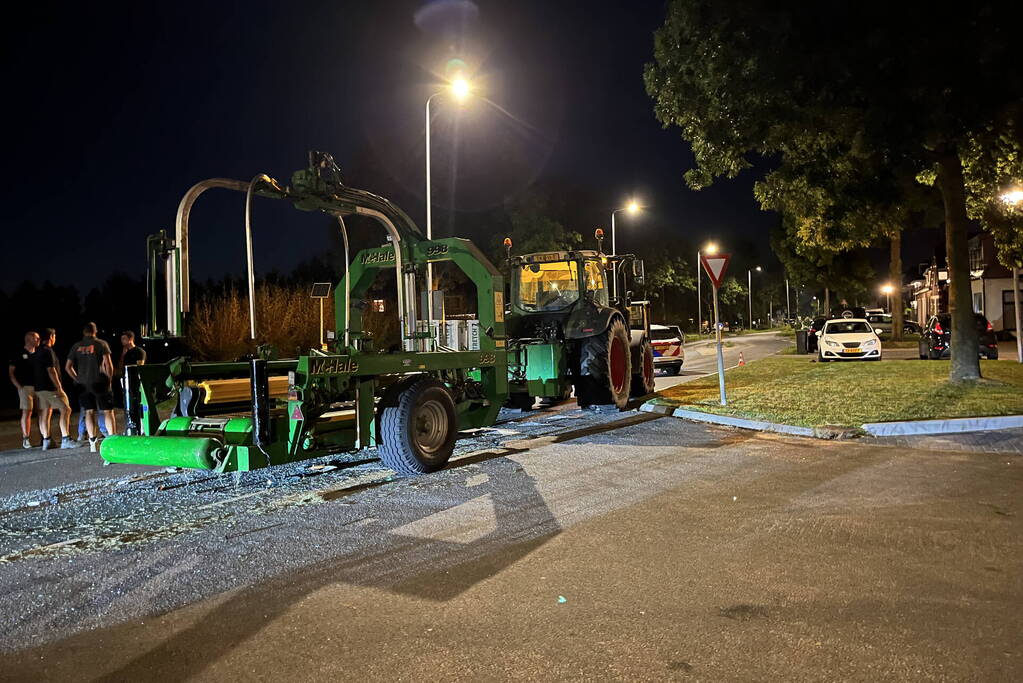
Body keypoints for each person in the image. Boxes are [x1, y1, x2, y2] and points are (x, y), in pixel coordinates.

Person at [65, 322, 116, 453]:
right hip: (100, 382)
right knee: (107, 411)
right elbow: (108, 364)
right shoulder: (101, 344)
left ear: (84, 332)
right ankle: (113, 440)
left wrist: (77, 378)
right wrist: (109, 379)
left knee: (89, 411)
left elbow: (67, 367)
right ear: (95, 331)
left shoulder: (76, 346)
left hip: (83, 385)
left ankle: (93, 442)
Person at [33, 328, 77, 449]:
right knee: (66, 409)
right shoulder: (48, 351)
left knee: (45, 412)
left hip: (39, 388)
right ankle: (66, 439)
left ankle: (46, 441)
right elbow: (51, 370)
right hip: (50, 388)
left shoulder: (37, 351)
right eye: (55, 336)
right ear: (51, 337)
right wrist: (58, 387)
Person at [9, 331, 40, 448]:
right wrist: (19, 387)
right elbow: (11, 373)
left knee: (42, 411)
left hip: (40, 387)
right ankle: (26, 438)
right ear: (29, 339)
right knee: (27, 412)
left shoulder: (38, 353)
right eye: (36, 338)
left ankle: (45, 436)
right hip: (25, 387)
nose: (38, 340)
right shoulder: (19, 353)